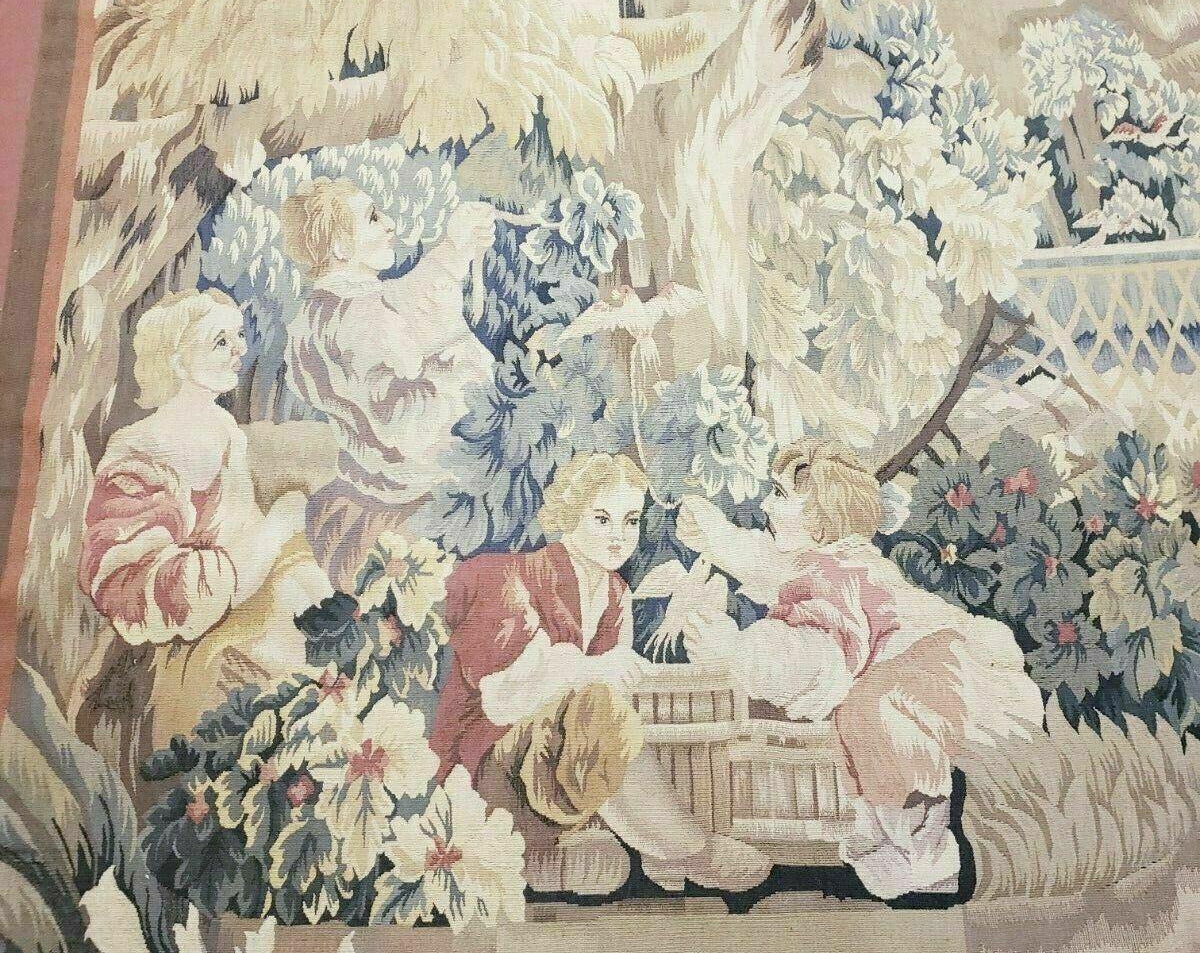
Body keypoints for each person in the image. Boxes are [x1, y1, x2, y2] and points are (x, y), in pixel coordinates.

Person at [676, 440, 1044, 900]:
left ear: (821, 520)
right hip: (939, 664)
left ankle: (922, 863)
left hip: (929, 674)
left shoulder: (832, 579)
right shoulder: (836, 559)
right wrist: (713, 534)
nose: (766, 506)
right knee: (866, 723)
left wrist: (734, 652)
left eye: (781, 496)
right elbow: (770, 564)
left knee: (870, 721)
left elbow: (814, 661)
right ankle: (904, 857)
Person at [430, 451, 772, 897]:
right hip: (492, 764)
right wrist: (585, 668)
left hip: (559, 768)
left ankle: (650, 846)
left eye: (631, 521)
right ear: (570, 515)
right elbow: (500, 703)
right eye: (602, 519)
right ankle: (686, 850)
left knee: (612, 725)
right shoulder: (512, 578)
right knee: (599, 706)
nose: (618, 536)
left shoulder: (615, 594)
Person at [75, 289, 331, 789]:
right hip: (175, 635)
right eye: (220, 341)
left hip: (239, 599)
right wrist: (269, 536)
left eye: (238, 337)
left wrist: (278, 538)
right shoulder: (140, 447)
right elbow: (124, 578)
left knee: (325, 629)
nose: (239, 349)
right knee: (277, 690)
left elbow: (244, 530)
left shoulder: (223, 427)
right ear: (177, 357)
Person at [282, 177, 496, 592]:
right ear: (340, 247)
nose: (390, 224)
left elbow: (410, 296)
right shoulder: (365, 316)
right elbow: (404, 421)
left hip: (359, 496)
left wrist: (456, 246)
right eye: (373, 218)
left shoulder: (319, 312)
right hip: (408, 509)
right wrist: (458, 367)